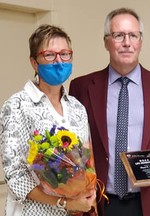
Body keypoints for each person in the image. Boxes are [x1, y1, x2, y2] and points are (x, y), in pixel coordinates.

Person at [69, 7, 150, 216]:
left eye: (133, 35)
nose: (127, 42)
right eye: (118, 35)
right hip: (99, 203)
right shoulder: (82, 87)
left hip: (149, 203)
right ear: (106, 42)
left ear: (140, 42)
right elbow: (72, 144)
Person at [0, 24, 96, 215]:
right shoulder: (17, 106)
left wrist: (86, 196)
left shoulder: (77, 108)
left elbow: (86, 164)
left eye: (65, 54)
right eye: (50, 55)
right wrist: (64, 203)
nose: (59, 61)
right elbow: (15, 177)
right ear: (34, 63)